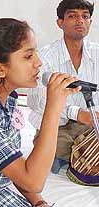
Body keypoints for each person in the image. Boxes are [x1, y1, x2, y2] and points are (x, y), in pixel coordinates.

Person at [0, 18, 80, 207]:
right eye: (28, 56)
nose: (39, 63)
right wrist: (54, 106)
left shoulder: (7, 100)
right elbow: (33, 181)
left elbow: (12, 165)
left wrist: (38, 203)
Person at [27, 0, 99, 173]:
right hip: (56, 128)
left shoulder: (97, 53)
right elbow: (37, 101)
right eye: (72, 16)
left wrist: (91, 118)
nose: (80, 20)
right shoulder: (44, 57)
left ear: (90, 22)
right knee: (51, 158)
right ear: (60, 22)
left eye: (85, 16)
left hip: (92, 125)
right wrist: (77, 113)